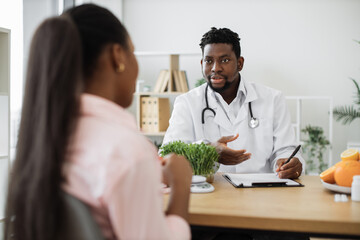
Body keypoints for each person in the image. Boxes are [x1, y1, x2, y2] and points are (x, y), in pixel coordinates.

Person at [4, 4, 192, 240]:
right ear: (118, 56)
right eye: (132, 52)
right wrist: (181, 187)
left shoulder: (43, 138)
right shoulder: (127, 151)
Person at [162, 27, 304, 179]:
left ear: (240, 63)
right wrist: (209, 151)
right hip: (210, 192)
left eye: (224, 60)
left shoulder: (273, 99)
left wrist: (291, 163)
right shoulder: (187, 103)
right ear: (202, 63)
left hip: (261, 194)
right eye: (209, 61)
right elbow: (169, 155)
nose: (215, 68)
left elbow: (286, 150)